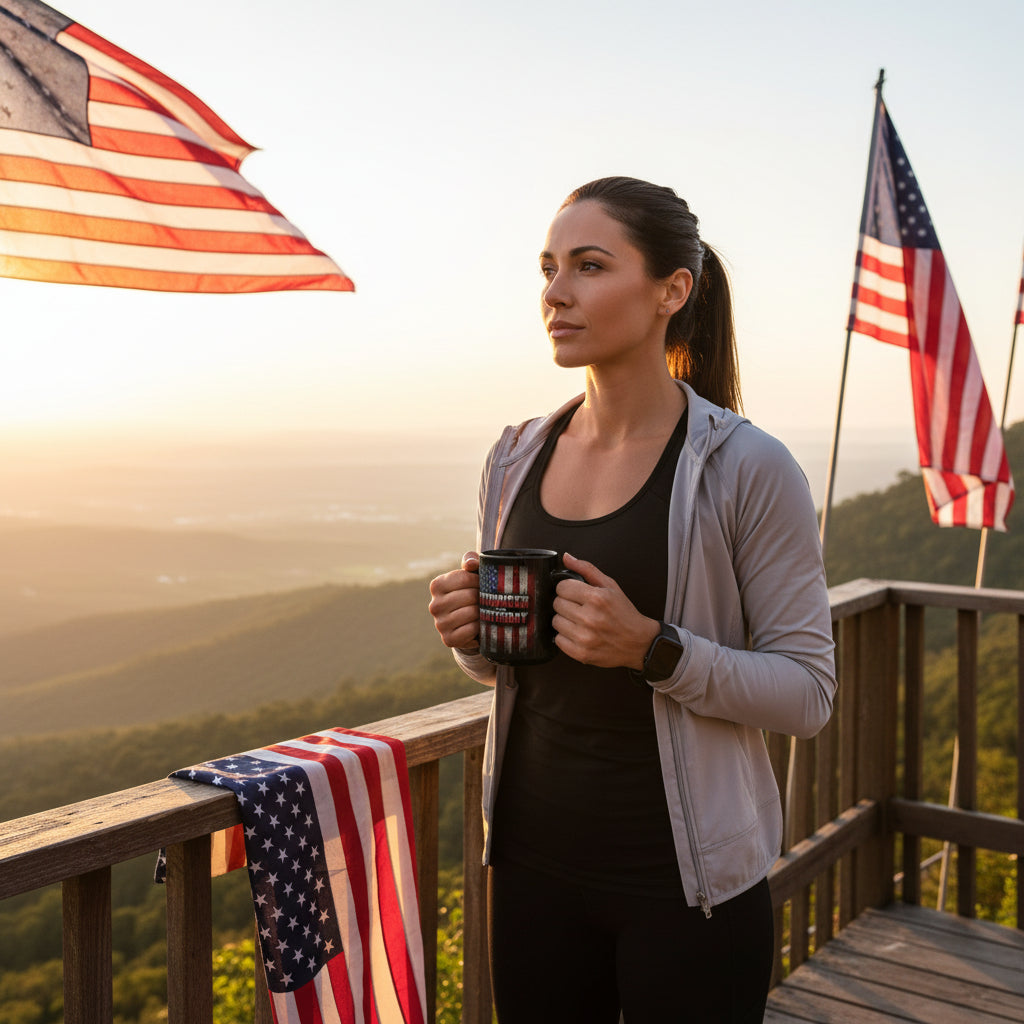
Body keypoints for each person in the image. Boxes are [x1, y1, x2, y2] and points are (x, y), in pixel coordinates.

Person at [428, 176, 836, 1023]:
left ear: (670, 291)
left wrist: (654, 648)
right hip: (530, 869)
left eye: (588, 265)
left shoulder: (745, 467)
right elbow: (510, 669)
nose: (556, 292)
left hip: (688, 889)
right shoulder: (514, 458)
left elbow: (808, 693)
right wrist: (473, 637)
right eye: (548, 268)